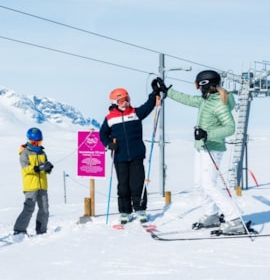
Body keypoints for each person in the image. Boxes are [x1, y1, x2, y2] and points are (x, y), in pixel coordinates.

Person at [159, 71, 248, 235]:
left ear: (204, 84)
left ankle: (234, 219)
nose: (197, 88)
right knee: (199, 184)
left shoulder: (219, 103)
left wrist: (208, 135)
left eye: (197, 84)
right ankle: (212, 214)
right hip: (201, 147)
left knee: (210, 185)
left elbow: (230, 128)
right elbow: (187, 99)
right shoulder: (205, 100)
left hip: (213, 147)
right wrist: (167, 91)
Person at [99, 79, 163, 224]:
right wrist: (109, 144)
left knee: (138, 183)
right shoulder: (109, 119)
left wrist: (154, 94)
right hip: (120, 156)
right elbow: (102, 134)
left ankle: (140, 209)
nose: (125, 102)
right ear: (115, 102)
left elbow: (148, 106)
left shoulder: (135, 113)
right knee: (123, 185)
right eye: (122, 100)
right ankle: (125, 212)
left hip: (136, 154)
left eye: (127, 99)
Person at [13, 127, 53, 236]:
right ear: (31, 141)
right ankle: (19, 230)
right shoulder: (24, 153)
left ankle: (41, 230)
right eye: (36, 142)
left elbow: (44, 167)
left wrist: (48, 168)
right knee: (29, 208)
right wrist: (37, 168)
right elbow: (25, 168)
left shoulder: (42, 152)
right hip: (31, 186)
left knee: (44, 209)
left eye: (40, 142)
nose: (38, 144)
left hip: (42, 185)